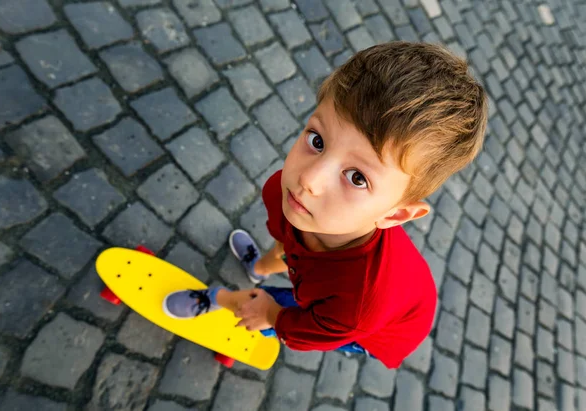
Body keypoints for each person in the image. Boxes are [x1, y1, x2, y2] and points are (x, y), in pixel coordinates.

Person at [162, 41, 488, 368]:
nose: (309, 180)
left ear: (395, 214)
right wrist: (278, 256)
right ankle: (257, 269)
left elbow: (304, 333)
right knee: (287, 250)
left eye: (357, 177)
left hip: (374, 330)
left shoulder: (355, 305)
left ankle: (219, 299)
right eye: (317, 141)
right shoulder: (285, 191)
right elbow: (285, 239)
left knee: (270, 307)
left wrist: (270, 315)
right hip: (371, 286)